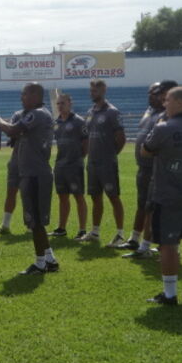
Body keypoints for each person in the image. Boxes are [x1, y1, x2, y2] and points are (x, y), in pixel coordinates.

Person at [141, 87, 182, 304]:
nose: (164, 104)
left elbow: (146, 150)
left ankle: (169, 294)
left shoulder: (164, 128)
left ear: (179, 103)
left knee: (167, 244)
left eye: (167, 100)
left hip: (167, 193)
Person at [0, 83, 59, 275]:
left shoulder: (37, 113)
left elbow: (12, 130)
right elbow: (15, 136)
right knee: (37, 222)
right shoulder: (38, 114)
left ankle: (40, 263)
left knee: (34, 222)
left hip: (35, 173)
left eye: (25, 94)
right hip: (34, 172)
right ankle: (50, 259)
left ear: (35, 95)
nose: (22, 97)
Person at [118, 80, 177, 257]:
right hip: (143, 167)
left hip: (156, 168)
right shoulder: (150, 111)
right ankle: (135, 239)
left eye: (156, 92)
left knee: (153, 207)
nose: (151, 96)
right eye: (151, 92)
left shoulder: (169, 115)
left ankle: (149, 245)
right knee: (142, 204)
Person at [78, 79, 126, 247]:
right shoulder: (91, 112)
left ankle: (120, 234)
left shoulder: (112, 112)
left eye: (95, 90)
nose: (92, 93)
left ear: (104, 90)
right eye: (91, 90)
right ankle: (95, 232)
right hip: (92, 163)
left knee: (113, 197)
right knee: (95, 197)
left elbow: (121, 139)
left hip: (106, 163)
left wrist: (110, 156)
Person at [48, 93, 88, 239]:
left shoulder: (78, 121)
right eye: (58, 104)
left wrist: (78, 159)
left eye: (62, 103)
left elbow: (86, 143)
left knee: (78, 196)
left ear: (70, 103)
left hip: (74, 165)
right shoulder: (56, 123)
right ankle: (61, 228)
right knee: (62, 197)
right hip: (60, 165)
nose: (60, 106)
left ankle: (82, 229)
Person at [0, 111, 22, 235]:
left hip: (31, 160)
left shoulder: (39, 114)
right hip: (15, 159)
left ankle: (31, 225)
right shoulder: (17, 114)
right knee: (11, 191)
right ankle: (5, 224)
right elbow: (11, 133)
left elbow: (12, 131)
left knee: (28, 194)